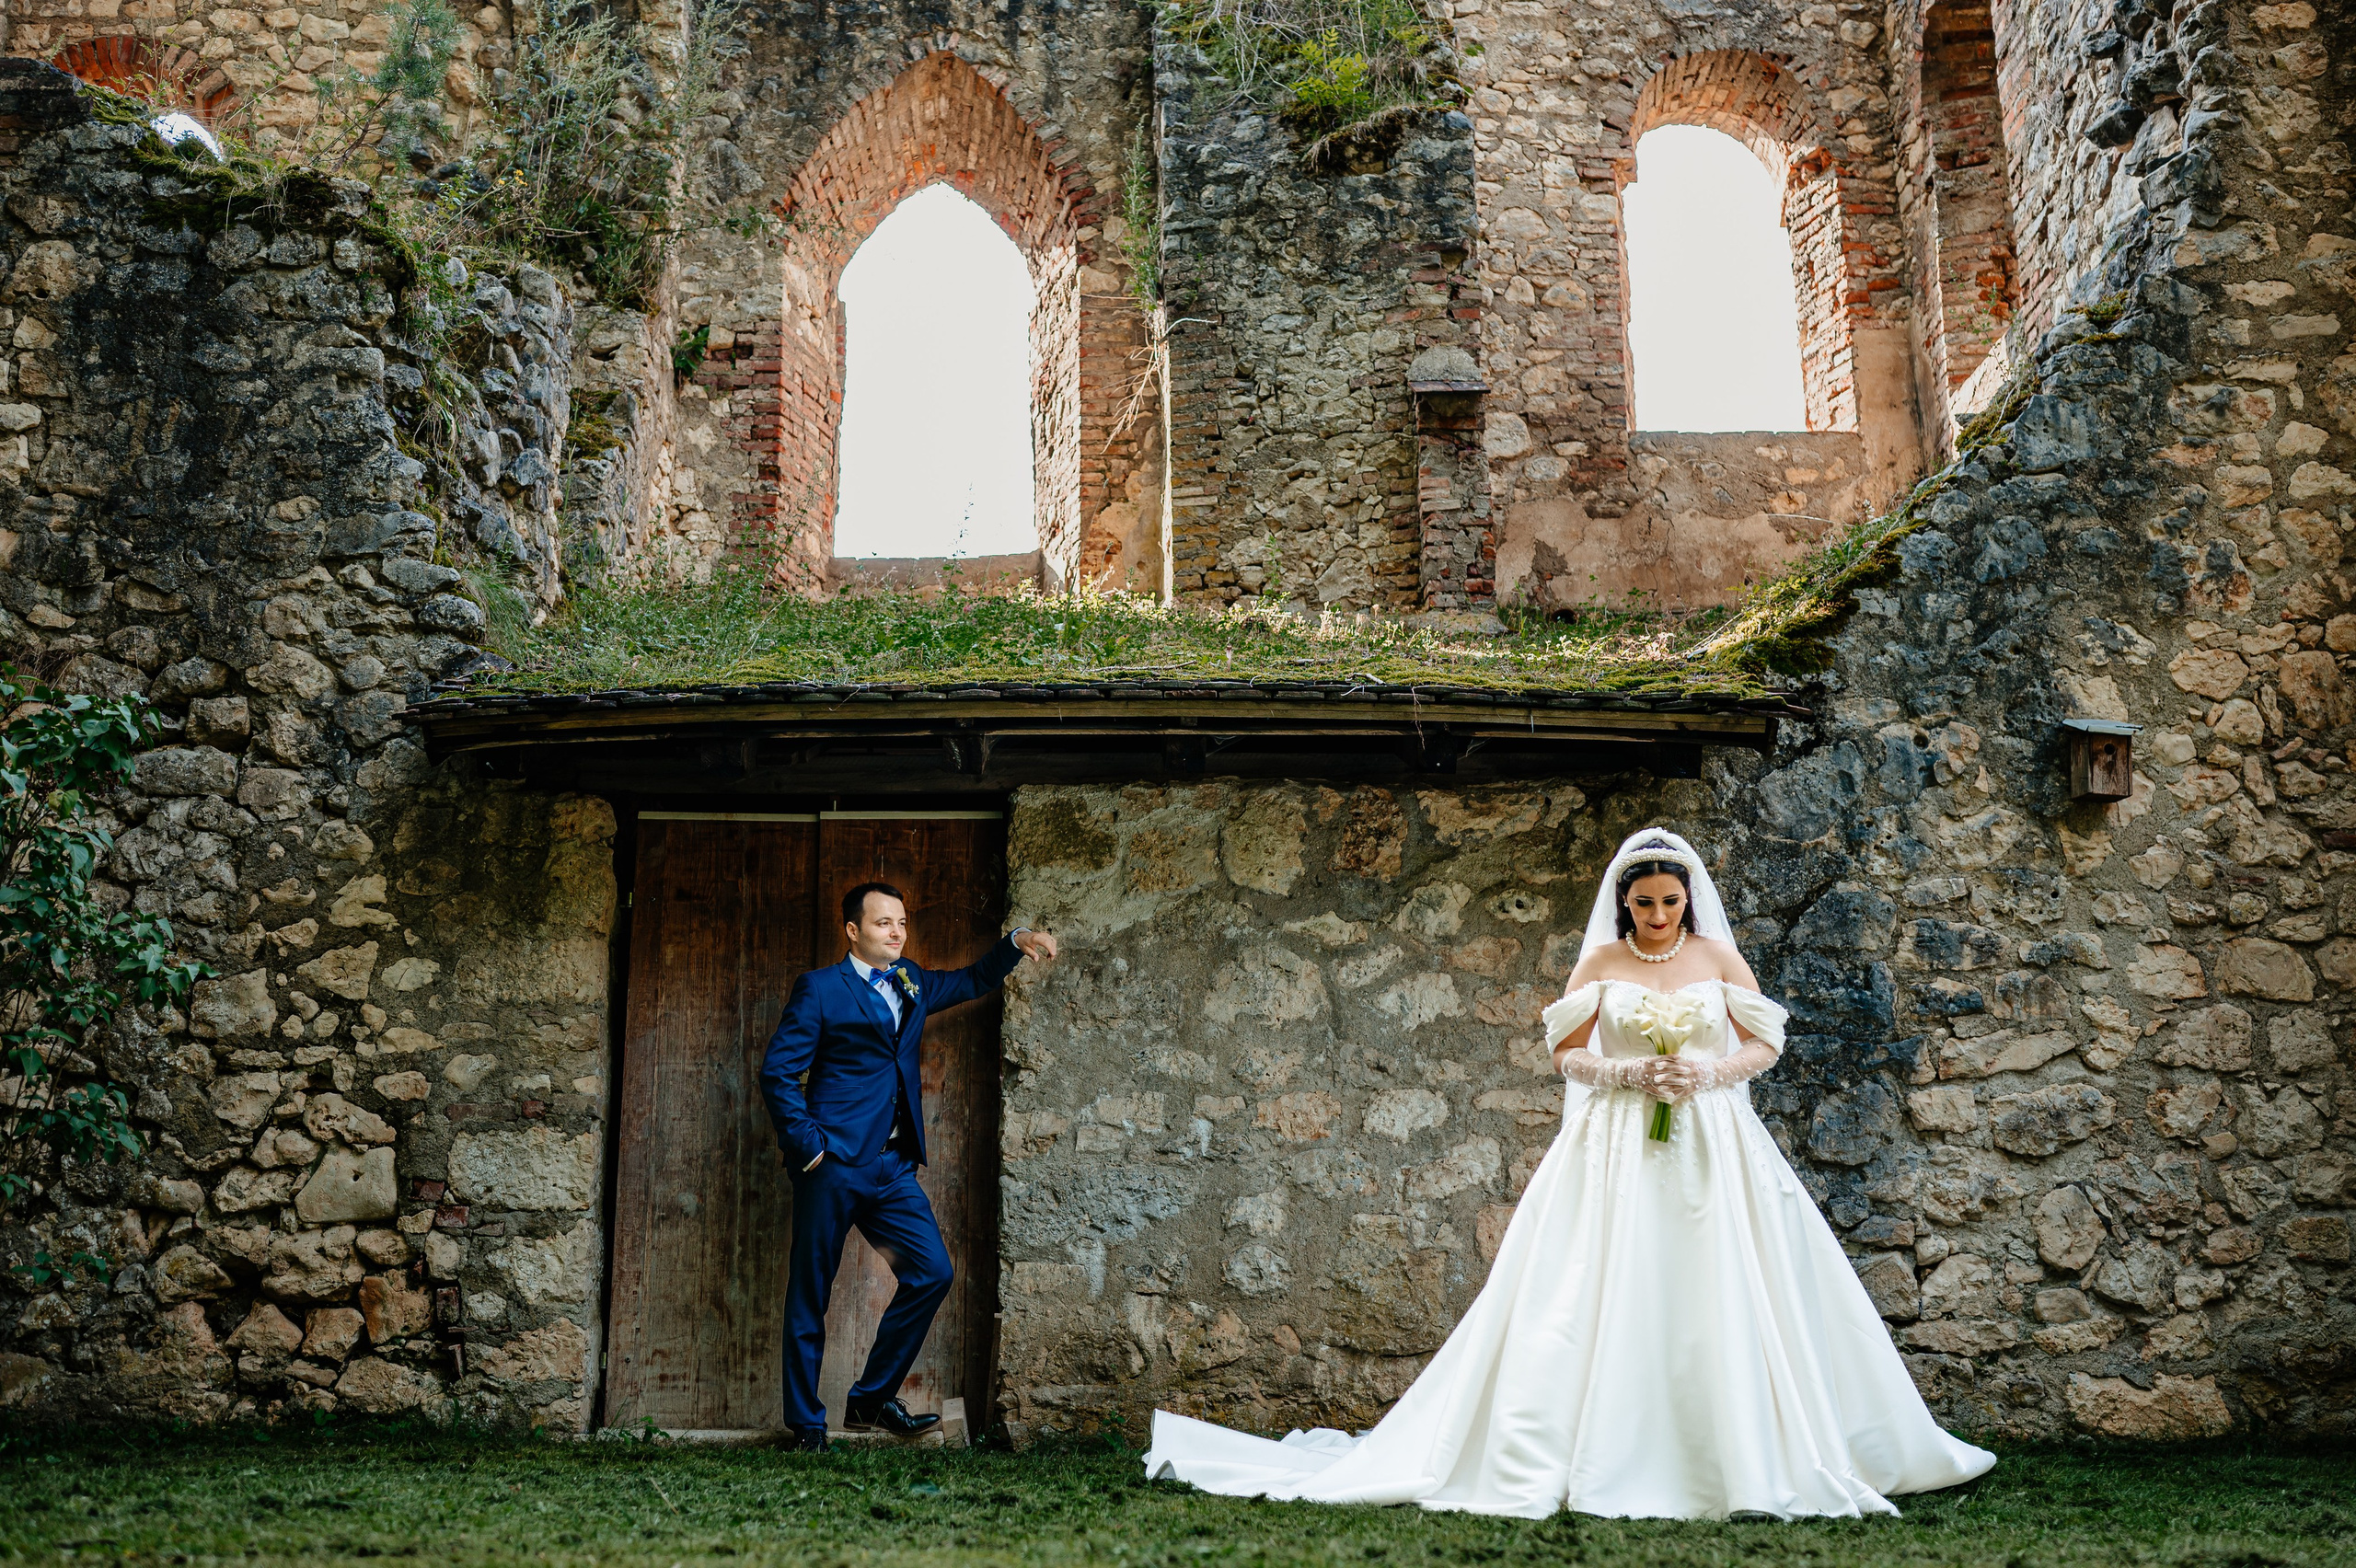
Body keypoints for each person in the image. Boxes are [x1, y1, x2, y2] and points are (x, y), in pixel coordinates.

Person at [1141, 827, 1995, 1518]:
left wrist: (1705, 1074)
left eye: (1669, 902)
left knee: (1723, 1279)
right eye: (1644, 903)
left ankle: (1739, 1447)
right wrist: (1629, 1072)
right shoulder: (1601, 965)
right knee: (1592, 1281)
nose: (1657, 915)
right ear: (1624, 902)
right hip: (1616, 1141)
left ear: (1687, 900)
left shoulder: (1717, 959)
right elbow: (1566, 1053)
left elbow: (1765, 1042)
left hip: (1713, 1140)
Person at [761, 881, 1057, 1451]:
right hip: (833, 1166)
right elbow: (778, 1073)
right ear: (853, 931)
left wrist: (1015, 942)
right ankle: (806, 1425)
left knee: (932, 1272)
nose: (896, 932)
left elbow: (970, 980)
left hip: (893, 1168)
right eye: (883, 923)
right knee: (810, 1294)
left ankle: (870, 1400)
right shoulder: (820, 989)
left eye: (901, 922)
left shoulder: (910, 979)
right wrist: (811, 1149)